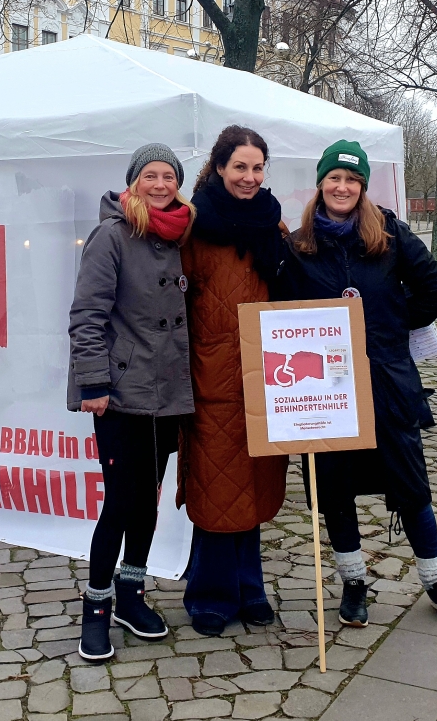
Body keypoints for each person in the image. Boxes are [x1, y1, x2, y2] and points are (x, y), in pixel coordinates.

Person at [286, 140, 437, 628]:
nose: (342, 187)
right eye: (334, 178)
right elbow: (279, 311)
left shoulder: (390, 234)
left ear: (363, 187)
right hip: (326, 388)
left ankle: (436, 581)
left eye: (352, 180)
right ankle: (353, 582)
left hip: (387, 382)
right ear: (321, 184)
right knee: (335, 489)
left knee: (411, 486)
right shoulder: (300, 244)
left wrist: (388, 327)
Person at [66, 144, 197, 662]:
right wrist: (95, 385)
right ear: (133, 182)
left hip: (169, 395)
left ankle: (131, 594)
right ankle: (95, 609)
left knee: (149, 499)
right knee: (121, 501)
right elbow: (86, 316)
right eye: (150, 175)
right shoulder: (111, 234)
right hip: (122, 394)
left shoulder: (185, 233)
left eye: (169, 175)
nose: (160, 183)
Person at [178, 126, 289, 636]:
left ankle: (250, 588)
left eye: (257, 167)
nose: (249, 177)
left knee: (254, 485)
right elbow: (175, 305)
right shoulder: (195, 225)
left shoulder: (273, 223)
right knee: (216, 487)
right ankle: (210, 593)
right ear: (220, 167)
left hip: (268, 374)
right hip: (213, 375)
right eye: (240, 166)